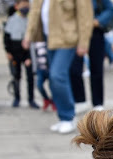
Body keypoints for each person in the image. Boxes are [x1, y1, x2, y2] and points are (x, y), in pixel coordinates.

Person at [22, 0, 94, 134]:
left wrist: (84, 42)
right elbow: (35, 12)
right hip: (48, 38)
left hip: (67, 39)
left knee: (57, 75)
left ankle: (68, 117)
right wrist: (28, 35)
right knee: (54, 78)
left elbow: (85, 15)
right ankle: (62, 117)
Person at [69, 0, 113, 112]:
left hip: (95, 31)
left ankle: (98, 103)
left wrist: (98, 21)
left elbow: (110, 9)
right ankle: (80, 100)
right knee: (74, 68)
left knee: (97, 68)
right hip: (76, 33)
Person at [3, 0, 38, 108]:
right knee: (16, 76)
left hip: (27, 54)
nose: (25, 7)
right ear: (16, 6)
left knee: (30, 77)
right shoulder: (12, 20)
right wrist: (8, 51)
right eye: (22, 5)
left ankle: (31, 99)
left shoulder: (31, 19)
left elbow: (33, 38)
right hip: (14, 53)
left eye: (27, 5)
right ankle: (17, 98)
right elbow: (6, 37)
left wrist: (29, 57)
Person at [32, 41, 56, 111]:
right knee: (39, 85)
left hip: (50, 68)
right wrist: (34, 69)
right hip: (40, 69)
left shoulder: (50, 40)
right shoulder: (35, 42)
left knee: (53, 86)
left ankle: (54, 101)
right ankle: (46, 99)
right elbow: (33, 55)